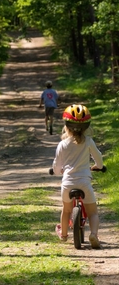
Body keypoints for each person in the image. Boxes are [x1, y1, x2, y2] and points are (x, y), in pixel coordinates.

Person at [52, 104, 103, 248]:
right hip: (84, 182)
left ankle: (63, 234)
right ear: (87, 127)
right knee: (93, 212)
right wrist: (99, 167)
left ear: (66, 126)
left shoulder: (62, 144)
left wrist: (57, 171)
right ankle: (93, 234)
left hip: (67, 183)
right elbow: (98, 158)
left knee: (66, 210)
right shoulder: (88, 142)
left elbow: (57, 165)